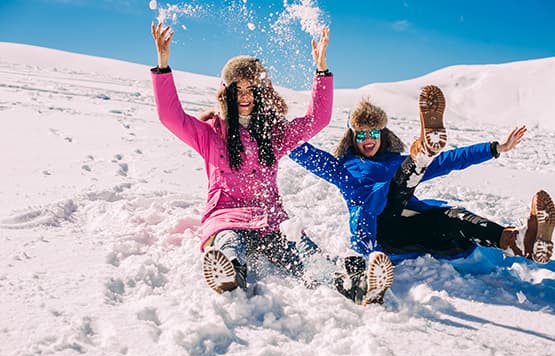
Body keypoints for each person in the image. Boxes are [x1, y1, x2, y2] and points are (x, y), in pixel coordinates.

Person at [289, 85, 555, 304]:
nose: (368, 139)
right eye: (361, 134)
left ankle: (519, 241)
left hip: (415, 232)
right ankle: (424, 151)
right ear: (352, 137)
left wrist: (496, 147)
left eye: (373, 132)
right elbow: (300, 150)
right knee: (395, 187)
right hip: (381, 233)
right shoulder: (341, 168)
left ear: (383, 134)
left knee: (452, 218)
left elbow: (449, 160)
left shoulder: (394, 161)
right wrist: (268, 128)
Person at [150, 22, 333, 294]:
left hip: (270, 219)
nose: (245, 96)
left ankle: (343, 280)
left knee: (303, 250)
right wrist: (163, 66)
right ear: (228, 94)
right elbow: (171, 117)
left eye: (251, 89)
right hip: (226, 216)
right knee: (228, 242)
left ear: (261, 93)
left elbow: (317, 119)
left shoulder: (274, 135)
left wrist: (321, 72)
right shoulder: (211, 134)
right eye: (238, 90)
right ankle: (229, 272)